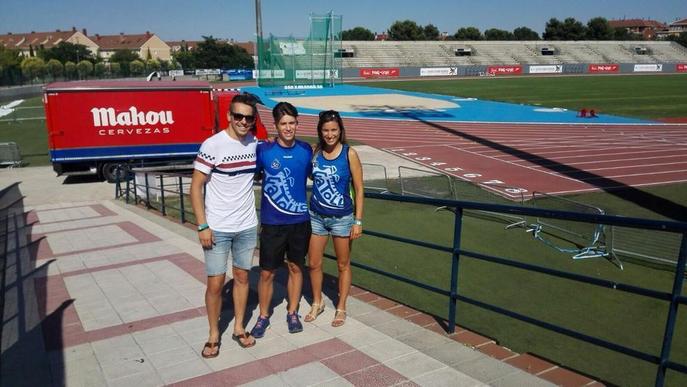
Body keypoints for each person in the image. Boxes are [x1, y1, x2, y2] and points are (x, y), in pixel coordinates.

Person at [190, 93, 260, 358]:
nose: (243, 121)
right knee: (215, 284)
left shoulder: (255, 144)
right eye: (238, 116)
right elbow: (195, 187)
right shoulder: (212, 144)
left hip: (246, 226)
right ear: (230, 116)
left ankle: (239, 327)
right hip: (217, 228)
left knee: (242, 278)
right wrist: (202, 226)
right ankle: (213, 334)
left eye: (249, 118)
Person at [250, 102, 313, 338]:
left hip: (299, 222)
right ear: (276, 126)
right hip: (272, 223)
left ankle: (292, 311)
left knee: (296, 268)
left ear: (297, 123)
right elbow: (252, 176)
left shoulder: (306, 150)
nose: (288, 128)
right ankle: (263, 315)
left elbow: (312, 176)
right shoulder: (264, 151)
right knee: (267, 272)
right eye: (283, 124)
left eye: (292, 123)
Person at [305, 110, 364, 327]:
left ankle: (341, 307)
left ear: (340, 130)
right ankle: (317, 302)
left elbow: (359, 189)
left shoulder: (350, 154)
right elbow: (311, 176)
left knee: (342, 264)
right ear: (320, 131)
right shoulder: (315, 153)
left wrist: (358, 221)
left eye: (334, 130)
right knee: (313, 263)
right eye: (326, 130)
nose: (330, 134)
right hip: (316, 216)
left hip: (342, 218)